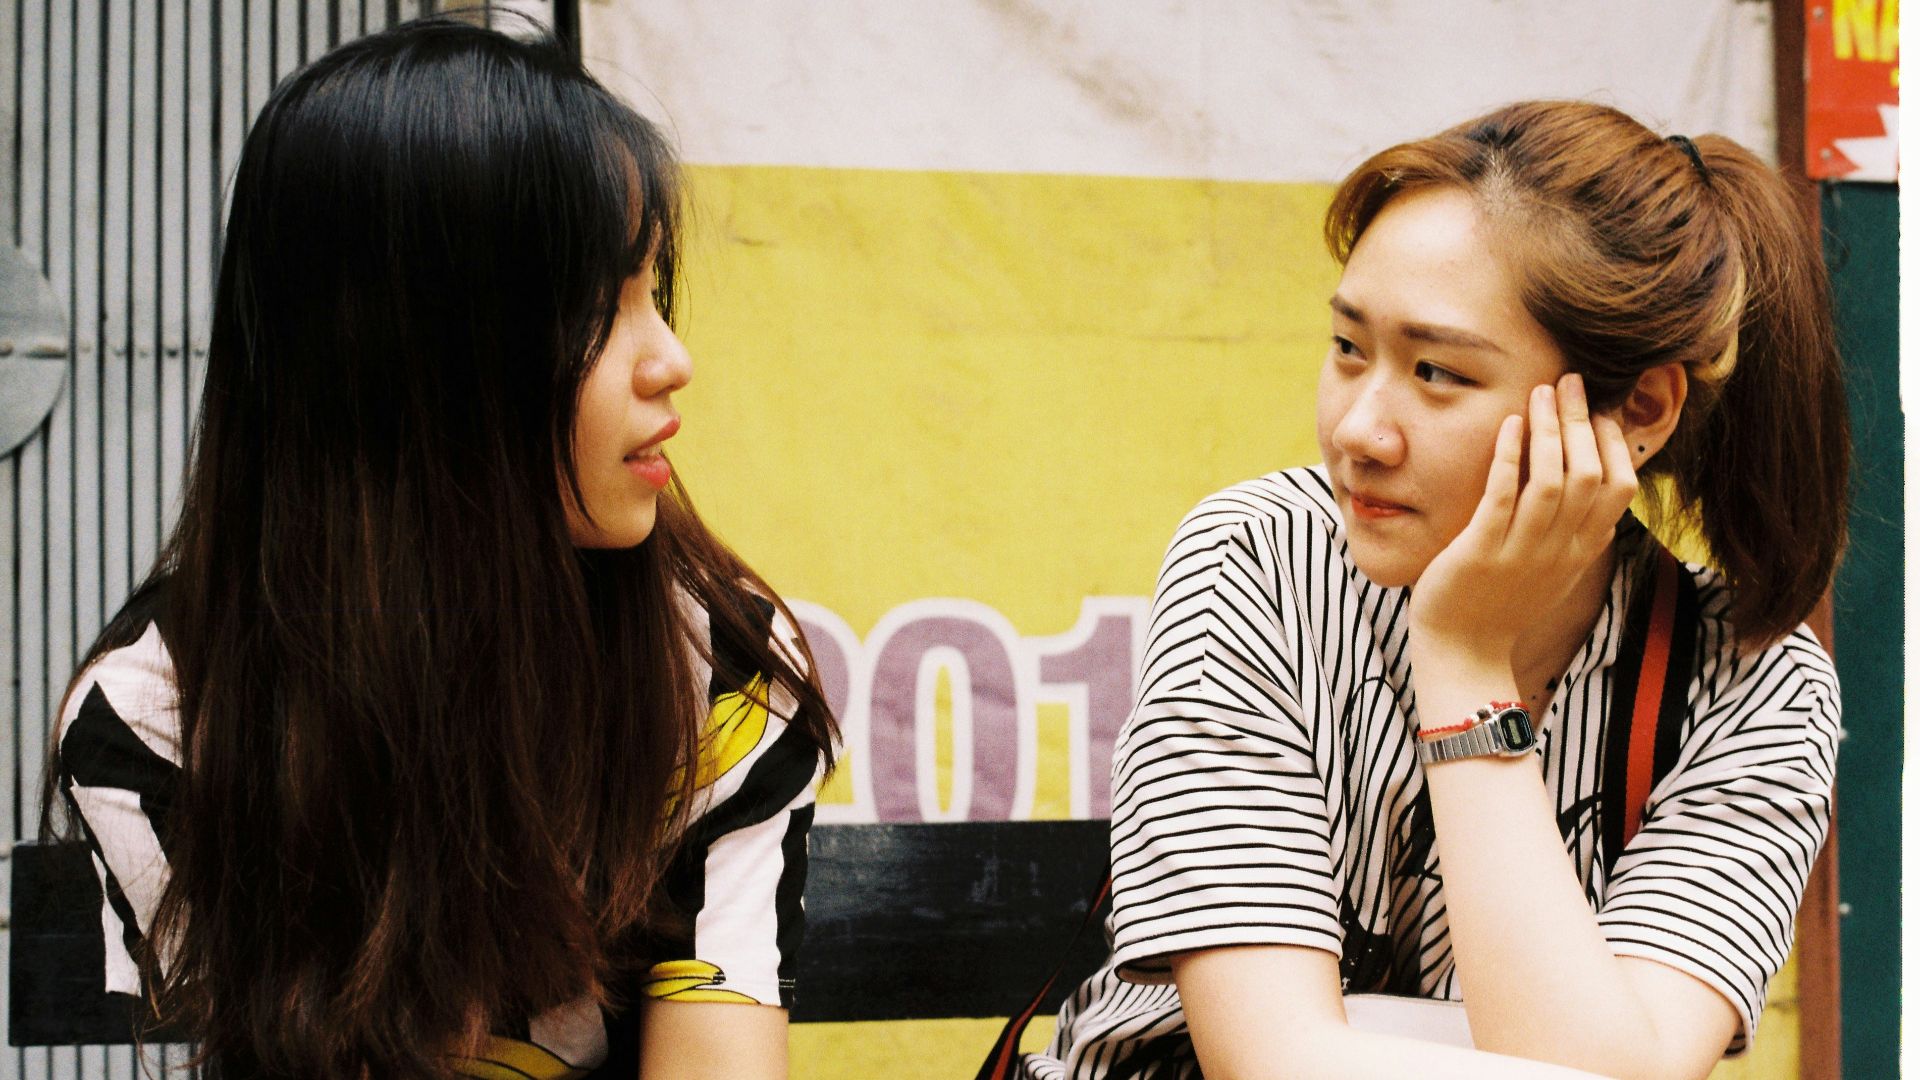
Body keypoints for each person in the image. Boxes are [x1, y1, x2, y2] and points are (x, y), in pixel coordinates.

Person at [48, 17, 834, 1080]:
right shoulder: (157, 723)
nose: (672, 361)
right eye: (603, 309)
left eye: (659, 292)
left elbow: (719, 1041)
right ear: (407, 364)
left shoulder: (717, 663)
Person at [1027, 100, 1848, 1079]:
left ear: (1638, 407)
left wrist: (1463, 666)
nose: (1360, 431)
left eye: (1436, 372)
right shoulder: (1260, 560)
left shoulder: (1756, 689)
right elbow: (1272, 1061)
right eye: (1347, 348)